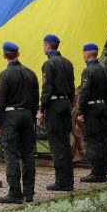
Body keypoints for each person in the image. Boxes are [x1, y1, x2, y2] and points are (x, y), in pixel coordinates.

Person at [0, 42, 39, 204]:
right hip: (27, 116)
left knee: (11, 154)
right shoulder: (30, 73)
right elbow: (35, 99)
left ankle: (15, 193)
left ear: (4, 55)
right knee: (28, 154)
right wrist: (31, 116)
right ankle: (29, 192)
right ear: (18, 54)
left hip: (11, 117)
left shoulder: (5, 75)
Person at [36, 34, 75, 192]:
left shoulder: (49, 64)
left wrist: (41, 109)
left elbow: (47, 89)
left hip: (54, 106)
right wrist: (70, 103)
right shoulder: (68, 63)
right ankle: (69, 179)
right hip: (66, 103)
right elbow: (72, 86)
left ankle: (61, 182)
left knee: (56, 144)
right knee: (65, 143)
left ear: (47, 46)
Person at [76, 43, 107, 183]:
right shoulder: (103, 70)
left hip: (91, 110)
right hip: (102, 106)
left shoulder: (88, 71)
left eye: (83, 53)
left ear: (87, 54)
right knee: (101, 140)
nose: (83, 56)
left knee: (94, 141)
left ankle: (96, 173)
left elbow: (84, 93)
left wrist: (80, 111)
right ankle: (102, 171)